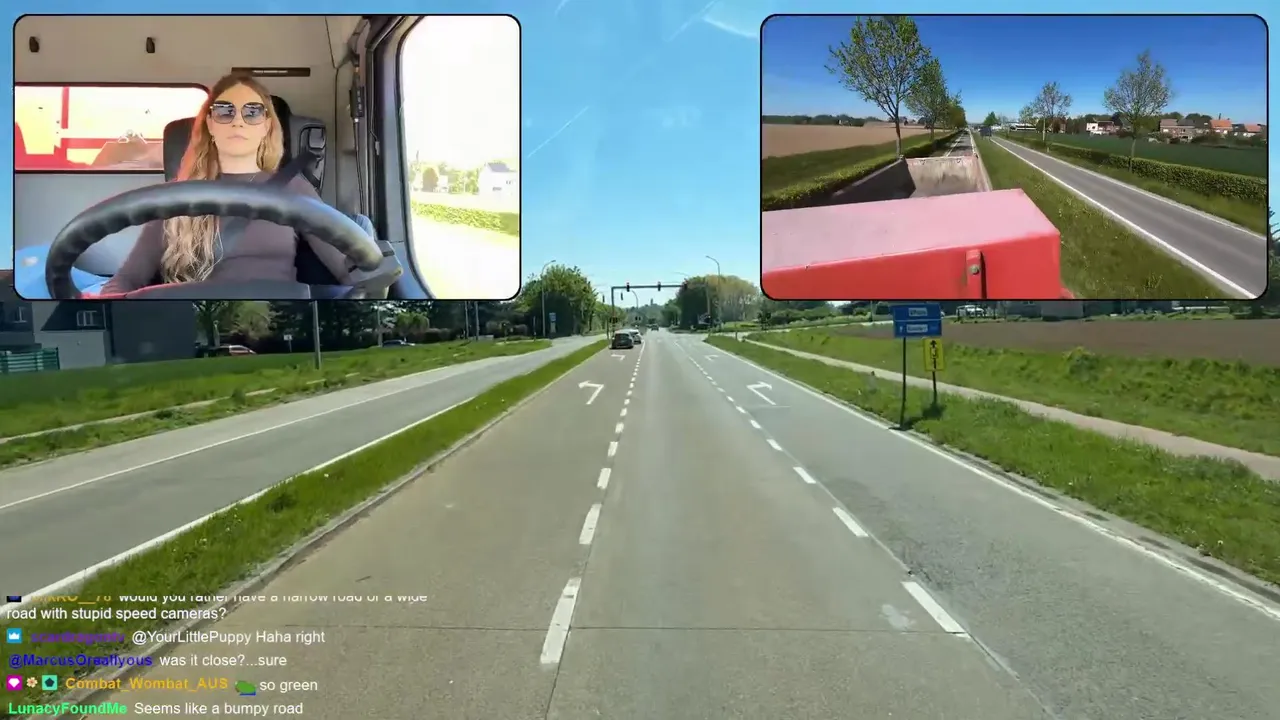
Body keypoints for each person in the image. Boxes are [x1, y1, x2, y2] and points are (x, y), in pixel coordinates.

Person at [100, 73, 353, 294]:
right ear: (210, 123)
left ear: (266, 126)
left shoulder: (293, 188)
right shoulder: (175, 197)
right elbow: (126, 279)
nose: (238, 121)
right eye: (224, 111)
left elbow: (348, 267)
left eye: (252, 112)